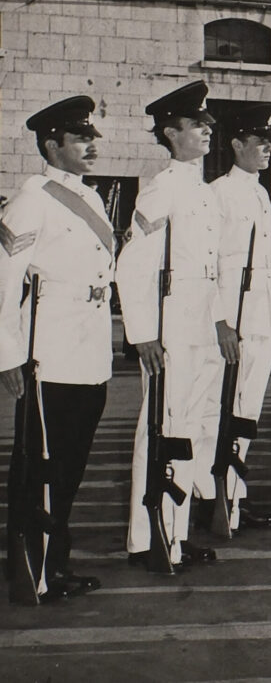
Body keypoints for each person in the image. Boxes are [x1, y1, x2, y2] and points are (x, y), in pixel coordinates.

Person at [1, 96, 112, 600]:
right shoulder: (32, 199)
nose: (92, 145)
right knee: (43, 466)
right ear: (52, 145)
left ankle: (54, 562)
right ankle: (33, 572)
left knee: (69, 466)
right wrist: (7, 356)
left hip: (89, 351)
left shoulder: (87, 198)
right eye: (79, 138)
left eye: (92, 136)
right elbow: (3, 281)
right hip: (49, 351)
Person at [118, 81, 222, 569]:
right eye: (196, 124)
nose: (205, 131)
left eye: (206, 125)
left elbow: (212, 266)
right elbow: (135, 262)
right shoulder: (160, 188)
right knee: (160, 429)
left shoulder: (201, 190)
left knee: (191, 431)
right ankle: (148, 537)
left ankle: (175, 532)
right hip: (171, 328)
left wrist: (220, 321)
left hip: (200, 326)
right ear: (170, 132)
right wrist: (141, 333)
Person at [206, 102, 271, 532]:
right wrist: (221, 322)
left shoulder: (258, 192)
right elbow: (213, 263)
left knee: (247, 411)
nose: (267, 148)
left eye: (270, 142)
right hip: (236, 322)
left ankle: (234, 496)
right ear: (236, 144)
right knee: (227, 409)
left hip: (261, 319)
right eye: (259, 141)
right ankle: (216, 497)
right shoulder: (220, 192)